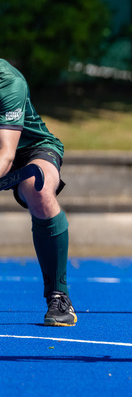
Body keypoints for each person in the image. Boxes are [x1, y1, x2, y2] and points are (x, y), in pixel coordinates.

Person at [0, 59, 77, 326]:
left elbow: (6, 156)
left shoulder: (8, 82)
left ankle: (59, 297)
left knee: (39, 189)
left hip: (31, 150)